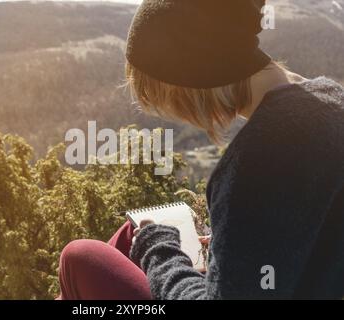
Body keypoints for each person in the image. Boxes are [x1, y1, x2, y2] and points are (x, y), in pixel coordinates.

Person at [58, 0, 344, 299]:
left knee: (80, 257)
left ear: (192, 80)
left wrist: (161, 251)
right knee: (131, 234)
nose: (176, 113)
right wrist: (230, 247)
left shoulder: (254, 168)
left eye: (167, 97)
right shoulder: (332, 100)